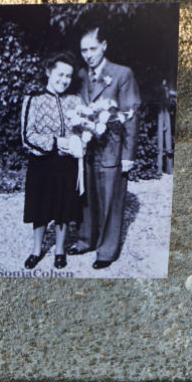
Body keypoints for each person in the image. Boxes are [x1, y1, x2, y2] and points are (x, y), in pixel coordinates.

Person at [67, 26, 141, 270]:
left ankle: (107, 250)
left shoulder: (122, 74)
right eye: (83, 50)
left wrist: (129, 156)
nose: (88, 54)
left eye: (92, 48)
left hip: (111, 146)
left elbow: (130, 114)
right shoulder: (80, 75)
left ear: (104, 46)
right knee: (86, 196)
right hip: (88, 147)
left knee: (111, 199)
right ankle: (86, 239)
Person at [20, 52, 85, 270]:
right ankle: (36, 250)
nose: (63, 80)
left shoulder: (75, 101)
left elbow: (82, 130)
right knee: (40, 208)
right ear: (49, 72)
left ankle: (59, 250)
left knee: (63, 208)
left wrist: (79, 141)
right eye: (60, 74)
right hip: (42, 163)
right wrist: (56, 142)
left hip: (66, 165)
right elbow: (27, 135)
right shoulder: (33, 100)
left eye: (68, 76)